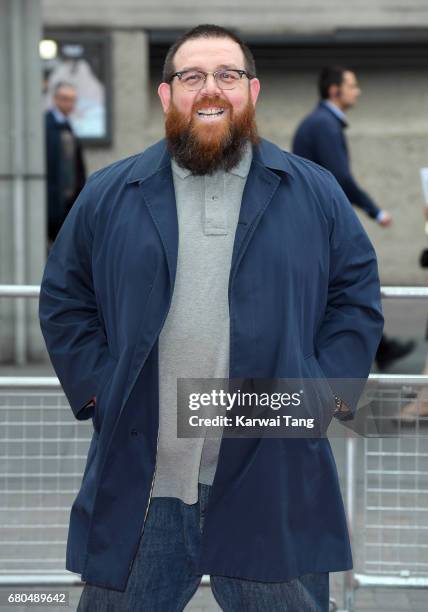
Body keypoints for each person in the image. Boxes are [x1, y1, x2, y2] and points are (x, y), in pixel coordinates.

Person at [39, 26, 383, 611]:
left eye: (227, 74)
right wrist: (101, 390)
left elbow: (356, 297)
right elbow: (65, 299)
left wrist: (322, 394)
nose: (210, 88)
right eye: (191, 76)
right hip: (145, 486)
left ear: (252, 92)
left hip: (269, 479)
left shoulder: (314, 192)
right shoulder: (110, 193)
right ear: (166, 96)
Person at [292, 66, 414, 371]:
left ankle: (378, 348)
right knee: (347, 286)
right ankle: (369, 351)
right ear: (334, 91)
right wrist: (375, 210)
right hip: (320, 226)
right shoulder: (323, 125)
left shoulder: (321, 123)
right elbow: (340, 178)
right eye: (352, 85)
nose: (357, 91)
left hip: (314, 223)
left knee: (335, 290)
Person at [45, 82, 86, 244]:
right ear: (55, 99)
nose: (69, 104)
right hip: (52, 199)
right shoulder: (46, 126)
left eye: (72, 100)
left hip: (69, 199)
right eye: (65, 99)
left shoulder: (67, 126)